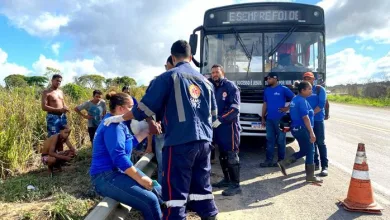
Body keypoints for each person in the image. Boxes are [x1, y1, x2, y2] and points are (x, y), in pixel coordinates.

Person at [103, 40, 219, 220]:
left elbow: (143, 109)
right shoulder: (206, 81)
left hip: (179, 143)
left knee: (175, 194)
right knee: (203, 189)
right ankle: (210, 215)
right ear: (190, 57)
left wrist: (119, 118)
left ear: (173, 57)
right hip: (204, 143)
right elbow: (213, 116)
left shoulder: (168, 77)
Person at [90, 91, 162, 220]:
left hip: (117, 172)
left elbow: (130, 143)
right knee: (150, 201)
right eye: (130, 107)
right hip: (105, 176)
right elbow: (119, 158)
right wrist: (140, 178)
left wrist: (148, 130)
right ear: (120, 108)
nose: (133, 110)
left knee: (157, 188)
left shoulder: (118, 123)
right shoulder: (113, 126)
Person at [277, 81, 323, 184]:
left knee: (304, 150)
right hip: (302, 128)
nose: (311, 91)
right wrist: (312, 133)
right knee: (311, 150)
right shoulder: (301, 101)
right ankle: (310, 176)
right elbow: (305, 117)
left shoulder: (295, 99)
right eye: (309, 89)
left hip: (296, 128)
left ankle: (284, 163)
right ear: (302, 90)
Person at [209, 64, 242, 196]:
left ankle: (236, 185)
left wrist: (221, 120)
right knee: (222, 154)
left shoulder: (230, 86)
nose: (214, 75)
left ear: (223, 72)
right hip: (218, 128)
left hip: (230, 127)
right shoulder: (213, 87)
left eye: (217, 72)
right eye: (212, 73)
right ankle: (227, 179)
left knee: (231, 155)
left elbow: (235, 109)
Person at [260, 72, 295, 167]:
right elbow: (265, 104)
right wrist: (263, 117)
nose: (267, 80)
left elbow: (294, 98)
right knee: (270, 140)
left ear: (275, 79)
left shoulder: (283, 89)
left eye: (269, 78)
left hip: (281, 120)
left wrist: (287, 108)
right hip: (269, 120)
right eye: (267, 79)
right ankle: (268, 161)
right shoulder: (267, 90)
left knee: (281, 141)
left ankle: (280, 161)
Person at [303, 72, 328, 176]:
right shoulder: (303, 90)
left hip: (317, 120)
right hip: (308, 121)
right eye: (305, 78)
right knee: (311, 143)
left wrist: (311, 114)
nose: (307, 80)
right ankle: (315, 164)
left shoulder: (319, 89)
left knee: (320, 143)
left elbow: (321, 104)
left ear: (313, 79)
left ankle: (324, 167)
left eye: (309, 78)